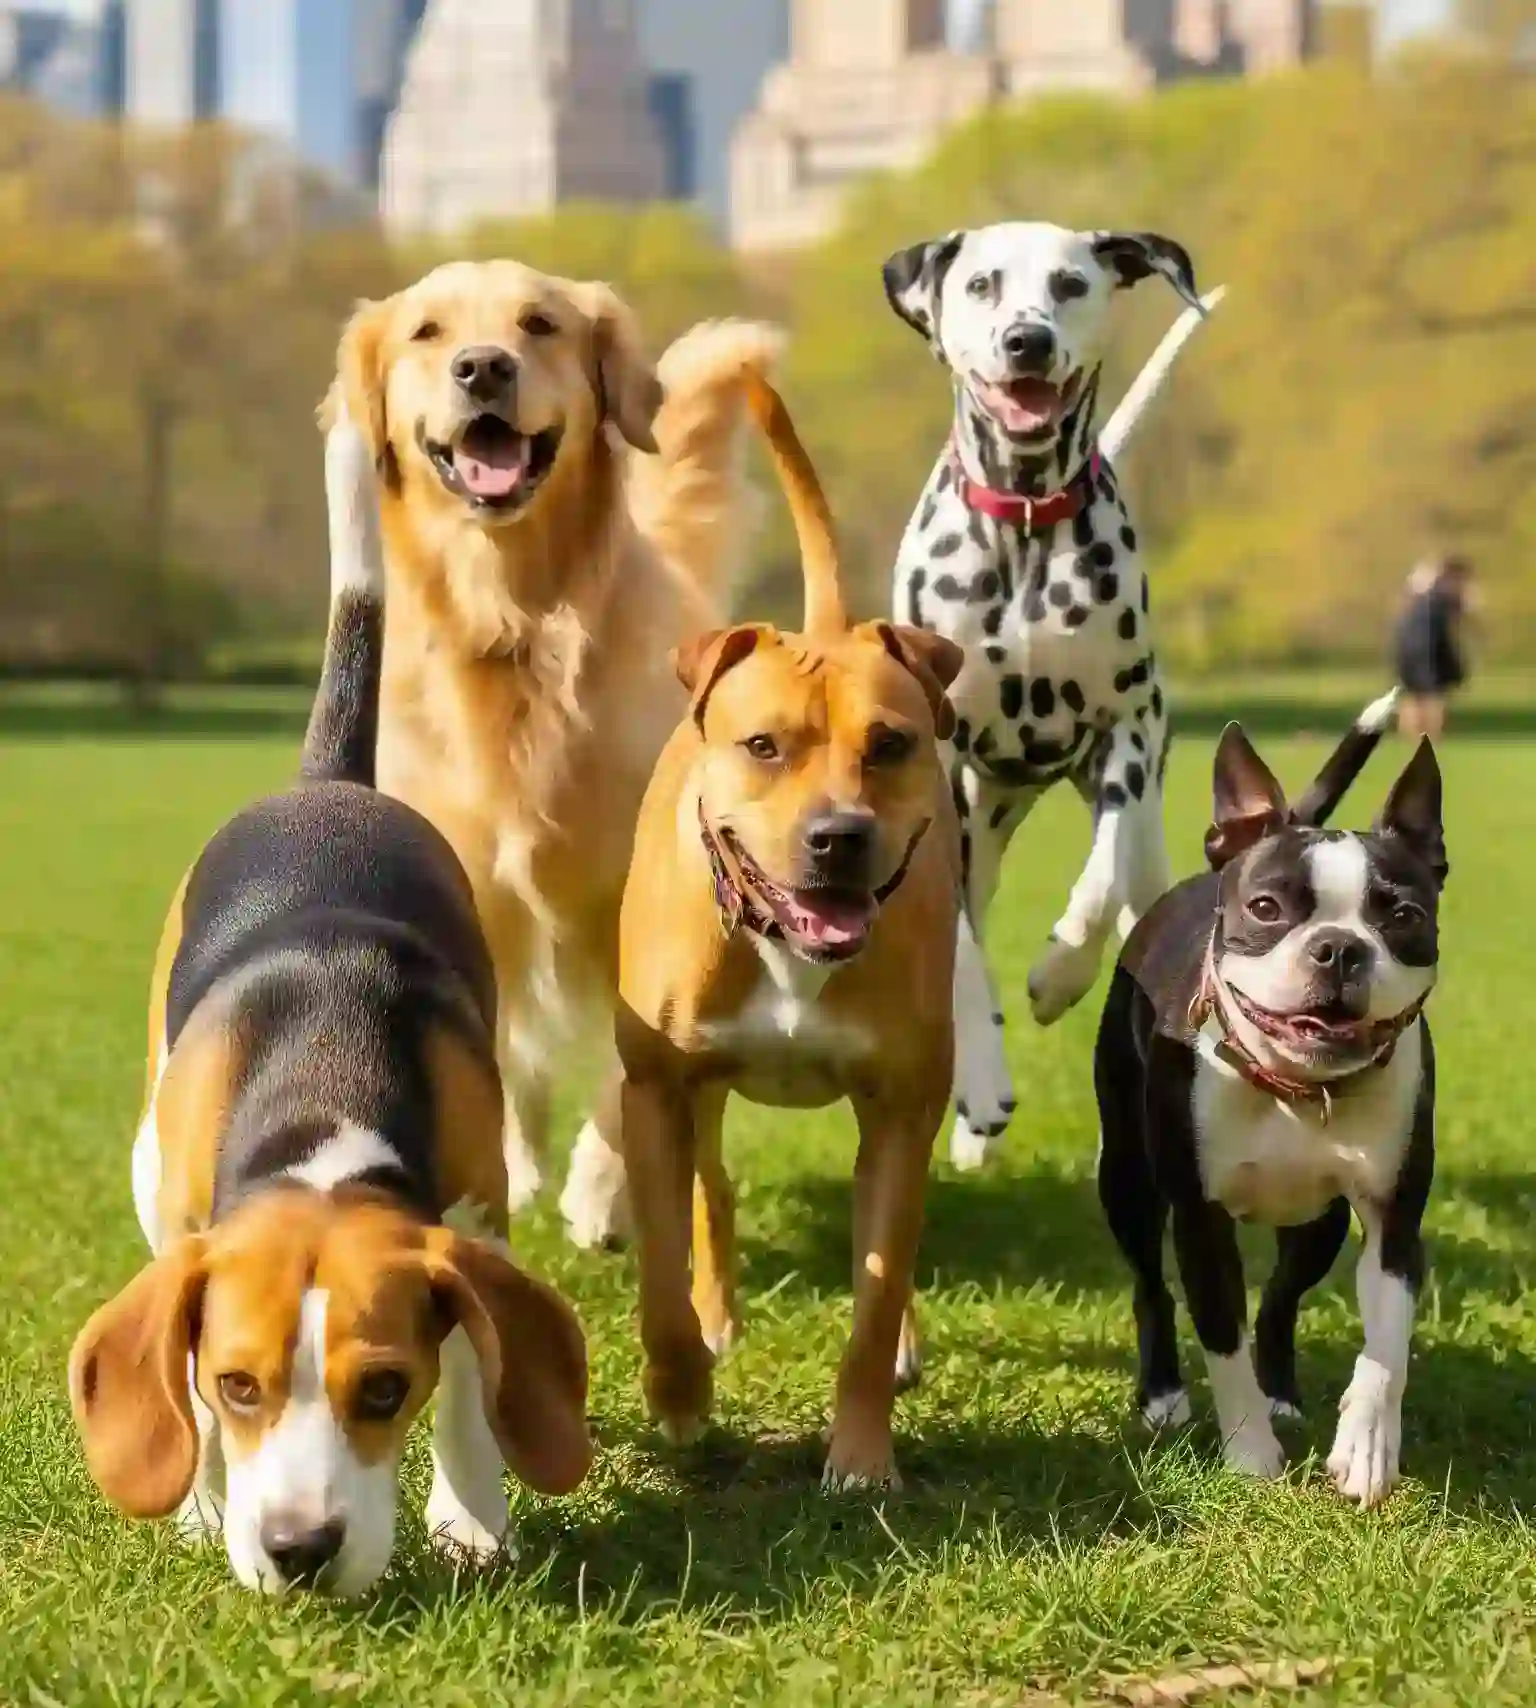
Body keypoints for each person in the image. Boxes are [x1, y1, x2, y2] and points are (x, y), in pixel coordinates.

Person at [1394, 554, 1476, 741]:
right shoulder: (1440, 589)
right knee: (1432, 695)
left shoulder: (1421, 585)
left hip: (1408, 645)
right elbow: (1458, 611)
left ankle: (1413, 740)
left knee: (1413, 693)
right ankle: (1428, 739)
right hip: (1426, 647)